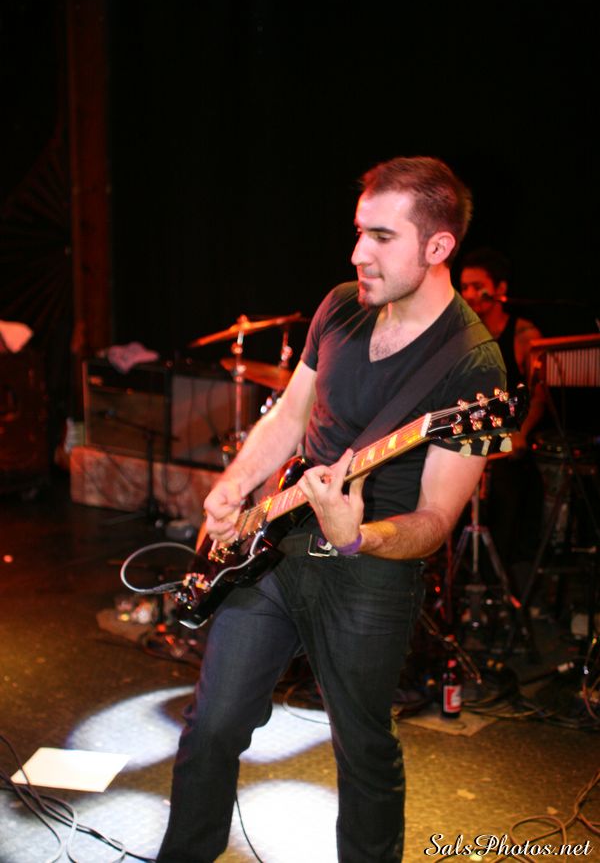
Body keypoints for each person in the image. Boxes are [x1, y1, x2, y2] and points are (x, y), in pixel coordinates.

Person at [157, 157, 506, 863]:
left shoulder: (476, 368)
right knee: (212, 725)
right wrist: (235, 487)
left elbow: (437, 519)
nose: (357, 254)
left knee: (363, 750)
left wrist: (359, 536)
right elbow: (290, 416)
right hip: (275, 548)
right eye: (358, 232)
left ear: (438, 246)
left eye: (381, 237)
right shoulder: (341, 305)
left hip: (368, 575)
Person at [459, 247, 545, 592]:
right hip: (470, 444)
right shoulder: (461, 335)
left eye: (477, 286)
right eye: (464, 287)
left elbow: (539, 396)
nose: (469, 294)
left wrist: (521, 433)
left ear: (500, 289)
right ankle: (460, 588)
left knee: (509, 498)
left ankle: (504, 587)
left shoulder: (524, 335)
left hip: (508, 447)